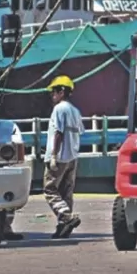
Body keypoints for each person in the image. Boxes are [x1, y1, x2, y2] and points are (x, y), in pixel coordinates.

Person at [44, 75, 83, 239]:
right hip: (72, 157)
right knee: (66, 192)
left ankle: (66, 216)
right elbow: (80, 132)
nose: (52, 96)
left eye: (54, 92)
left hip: (59, 157)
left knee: (50, 189)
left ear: (61, 92)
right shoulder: (75, 110)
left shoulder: (59, 109)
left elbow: (58, 133)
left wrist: (53, 155)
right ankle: (63, 227)